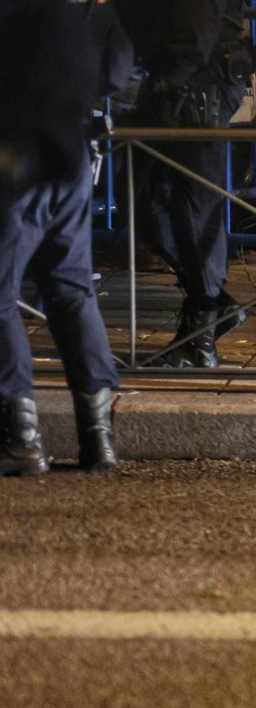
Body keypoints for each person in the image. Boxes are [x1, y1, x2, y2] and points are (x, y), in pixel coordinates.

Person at [0, 0, 124, 476]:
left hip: (17, 154)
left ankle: (21, 437)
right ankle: (99, 440)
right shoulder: (92, 13)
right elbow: (116, 74)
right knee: (70, 288)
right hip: (71, 151)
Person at [114, 0, 251, 369]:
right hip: (173, 80)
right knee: (141, 196)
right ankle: (211, 306)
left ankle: (200, 335)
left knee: (193, 205)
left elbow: (193, 32)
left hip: (195, 83)